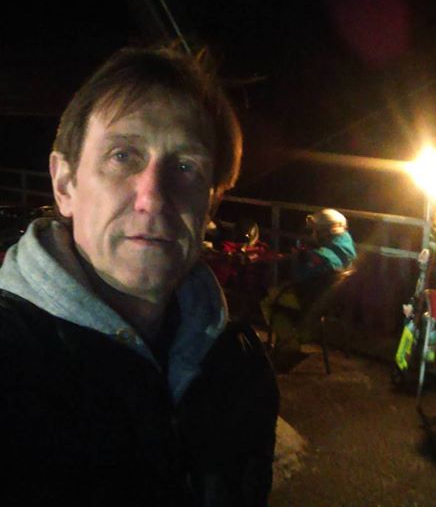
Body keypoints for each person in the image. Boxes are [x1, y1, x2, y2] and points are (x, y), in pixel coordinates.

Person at [0, 43, 279, 506]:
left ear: (211, 204)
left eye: (186, 167)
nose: (154, 197)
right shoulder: (14, 363)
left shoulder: (240, 370)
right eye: (122, 156)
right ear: (65, 184)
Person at [261, 208, 357, 358]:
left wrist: (301, 258)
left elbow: (299, 277)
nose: (314, 234)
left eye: (316, 230)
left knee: (268, 300)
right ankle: (294, 336)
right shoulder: (346, 245)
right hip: (333, 300)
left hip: (313, 300)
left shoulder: (321, 257)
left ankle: (290, 344)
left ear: (328, 231)